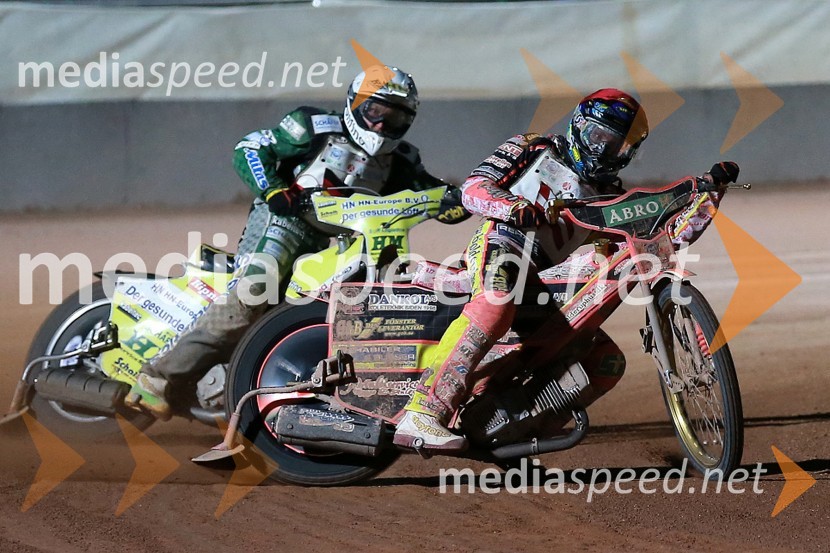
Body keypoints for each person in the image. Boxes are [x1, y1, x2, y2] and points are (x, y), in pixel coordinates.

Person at [393, 88, 740, 450]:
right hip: (504, 240)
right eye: (598, 137)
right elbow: (473, 189)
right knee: (496, 302)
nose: (604, 150)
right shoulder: (533, 148)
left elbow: (671, 237)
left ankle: (509, 429)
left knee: (606, 362)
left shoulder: (610, 195)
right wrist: (513, 206)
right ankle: (423, 411)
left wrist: (711, 194)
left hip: (547, 274)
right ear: (577, 126)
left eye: (616, 145)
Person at [125, 66, 469, 420]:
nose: (382, 124)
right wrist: (274, 189)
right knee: (254, 292)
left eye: (394, 117)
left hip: (337, 242)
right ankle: (157, 378)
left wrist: (462, 200)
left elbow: (432, 194)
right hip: (285, 223)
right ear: (355, 104)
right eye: (376, 111)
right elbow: (251, 147)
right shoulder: (313, 125)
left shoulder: (402, 160)